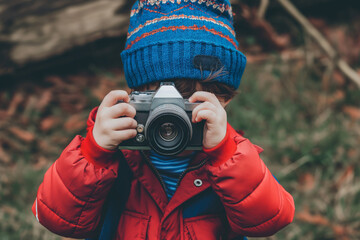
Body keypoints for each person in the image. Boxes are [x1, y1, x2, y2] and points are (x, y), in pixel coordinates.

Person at [32, 1, 295, 239]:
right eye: (152, 93)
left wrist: (225, 153)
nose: (169, 110)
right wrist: (94, 153)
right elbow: (57, 219)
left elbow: (271, 219)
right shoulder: (118, 152)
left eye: (188, 96)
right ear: (133, 94)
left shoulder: (230, 156)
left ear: (223, 99)